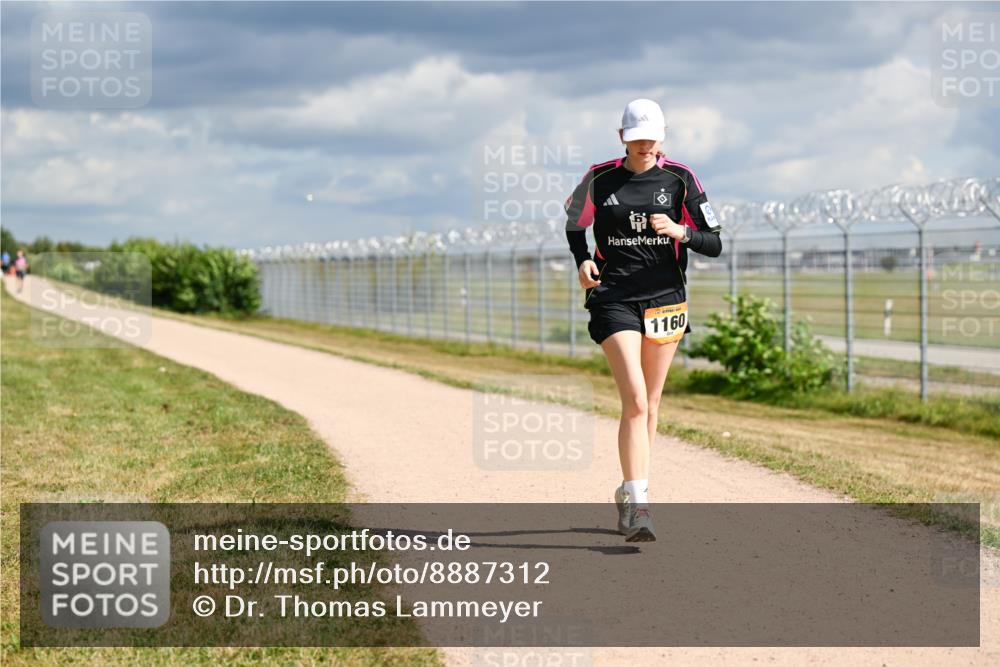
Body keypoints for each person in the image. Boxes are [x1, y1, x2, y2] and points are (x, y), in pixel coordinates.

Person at [564, 99, 723, 542]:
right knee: (634, 399)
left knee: (650, 406)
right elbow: (574, 223)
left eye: (651, 137)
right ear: (622, 138)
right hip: (614, 296)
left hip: (665, 301)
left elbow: (714, 243)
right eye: (635, 137)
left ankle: (630, 488)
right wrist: (581, 261)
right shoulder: (599, 178)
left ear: (662, 137)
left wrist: (681, 232)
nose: (644, 145)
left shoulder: (681, 179)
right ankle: (640, 504)